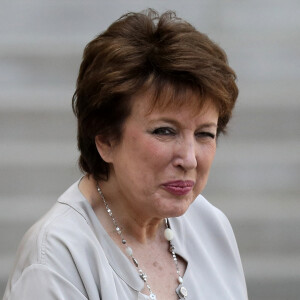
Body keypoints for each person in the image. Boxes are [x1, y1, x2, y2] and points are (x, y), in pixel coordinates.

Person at [3, 9, 248, 300]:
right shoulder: (55, 259)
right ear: (105, 139)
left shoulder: (210, 225)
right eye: (165, 131)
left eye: (204, 134)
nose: (190, 159)